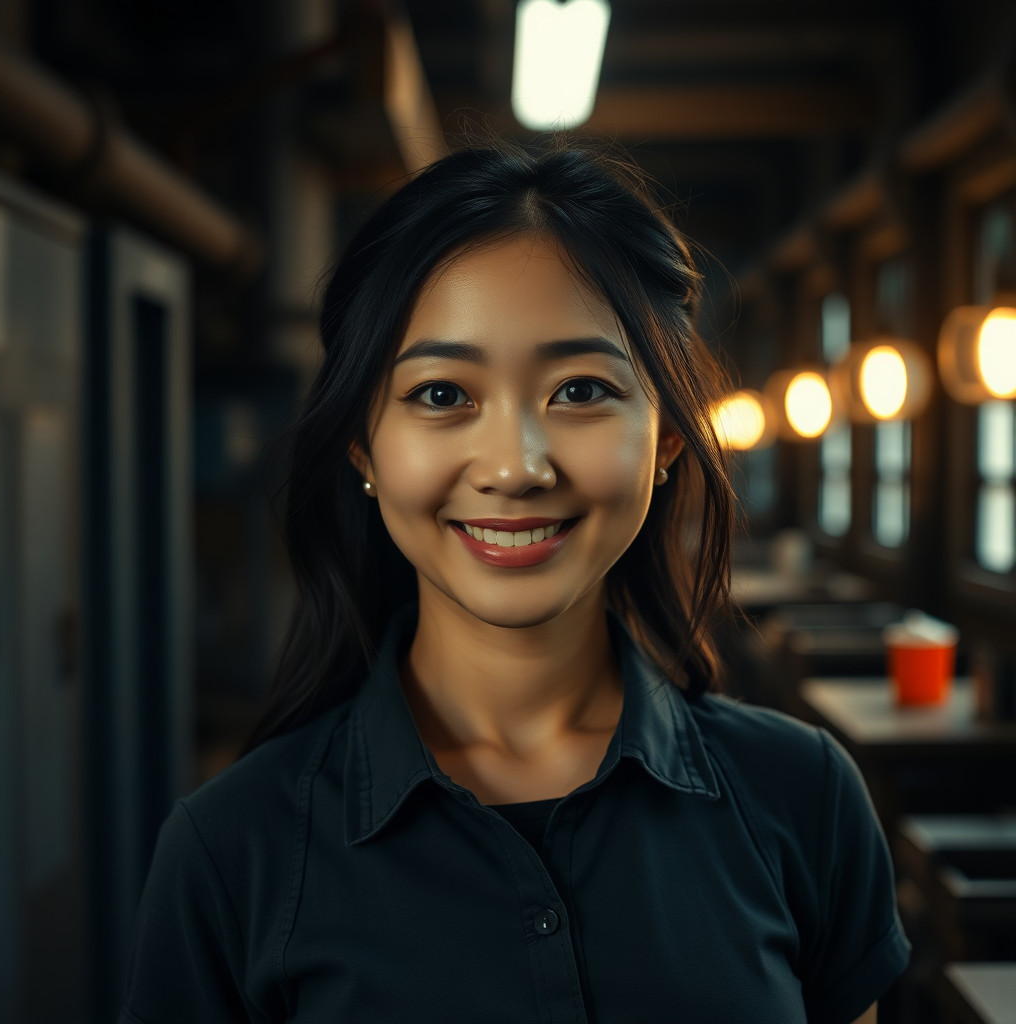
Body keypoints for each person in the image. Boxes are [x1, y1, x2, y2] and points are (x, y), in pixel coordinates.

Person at [120, 141, 910, 1024]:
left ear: (669, 440)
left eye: (579, 390)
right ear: (361, 445)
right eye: (440, 395)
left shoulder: (803, 795)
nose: (516, 467)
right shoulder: (233, 849)